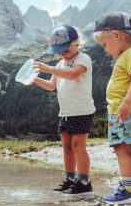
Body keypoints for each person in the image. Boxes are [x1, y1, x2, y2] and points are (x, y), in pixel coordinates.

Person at [93, 11, 131, 204]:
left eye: (105, 44)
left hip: (126, 113)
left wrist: (126, 103)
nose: (105, 50)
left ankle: (128, 189)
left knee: (121, 148)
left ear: (116, 35)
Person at [32, 25, 96, 194]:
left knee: (77, 145)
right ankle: (70, 178)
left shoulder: (84, 59)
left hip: (81, 110)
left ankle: (84, 181)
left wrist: (48, 68)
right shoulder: (60, 63)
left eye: (65, 51)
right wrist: (36, 79)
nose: (62, 55)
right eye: (59, 52)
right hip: (65, 112)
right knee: (67, 146)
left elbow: (73, 74)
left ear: (77, 43)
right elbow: (52, 86)